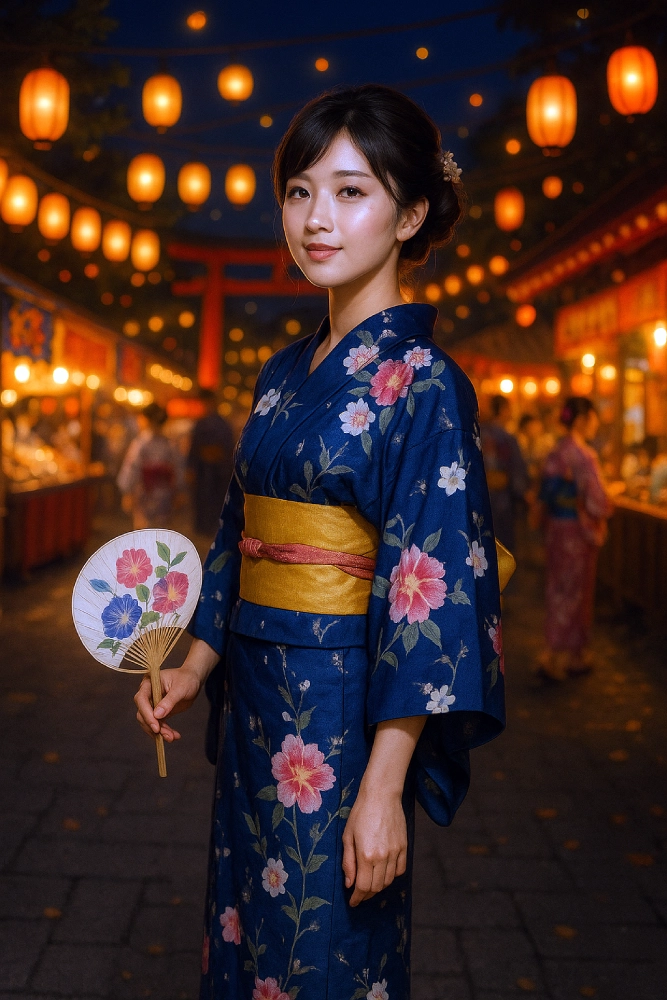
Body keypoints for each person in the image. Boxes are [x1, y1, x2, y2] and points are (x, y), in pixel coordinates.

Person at [134, 85, 505, 1000]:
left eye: (349, 192)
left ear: (410, 212)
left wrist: (385, 784)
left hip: (339, 715)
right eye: (299, 192)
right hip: (259, 696)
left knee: (327, 948)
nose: (315, 220)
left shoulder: (424, 383)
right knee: (248, 932)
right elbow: (238, 532)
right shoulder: (280, 371)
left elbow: (433, 583)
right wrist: (195, 658)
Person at [538, 397, 615, 681]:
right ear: (582, 420)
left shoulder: (558, 450)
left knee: (558, 589)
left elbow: (545, 492)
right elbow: (598, 501)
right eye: (594, 418)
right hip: (577, 532)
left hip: (557, 528)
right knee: (575, 593)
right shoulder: (584, 455)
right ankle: (559, 656)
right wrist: (608, 503)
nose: (596, 425)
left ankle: (563, 653)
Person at [117, 402, 182, 529]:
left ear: (146, 419)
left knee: (145, 530)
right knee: (161, 531)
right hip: (162, 492)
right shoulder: (169, 443)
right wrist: (179, 489)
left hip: (144, 492)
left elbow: (132, 467)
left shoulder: (141, 443)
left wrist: (127, 491)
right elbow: (178, 468)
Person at [480, 395, 528, 551]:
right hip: (502, 500)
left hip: (480, 496)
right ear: (502, 410)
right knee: (503, 547)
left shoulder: (477, 433)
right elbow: (517, 470)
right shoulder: (507, 438)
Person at [187, 389, 236, 536]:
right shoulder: (200, 423)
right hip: (203, 468)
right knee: (202, 498)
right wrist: (191, 467)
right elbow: (194, 448)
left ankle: (214, 526)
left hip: (219, 469)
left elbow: (228, 447)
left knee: (216, 499)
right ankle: (202, 527)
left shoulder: (223, 424)